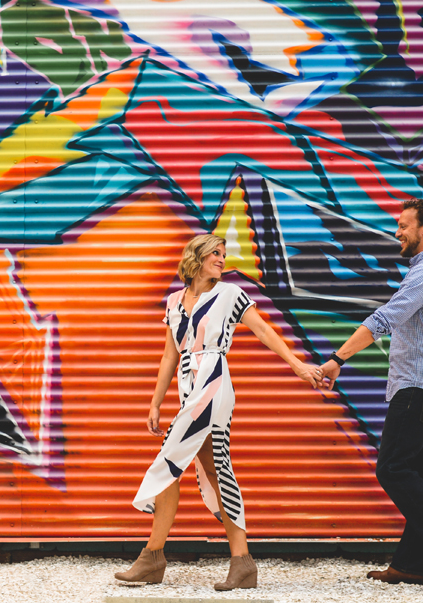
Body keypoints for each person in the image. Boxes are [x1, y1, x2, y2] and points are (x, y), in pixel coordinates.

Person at [115, 234, 319, 590]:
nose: (222, 259)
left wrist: (298, 366)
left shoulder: (230, 295)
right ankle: (241, 561)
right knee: (211, 467)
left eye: (224, 254)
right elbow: (169, 355)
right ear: (196, 257)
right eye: (215, 253)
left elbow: (263, 329)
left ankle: (152, 555)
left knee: (170, 462)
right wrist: (155, 401)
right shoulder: (174, 301)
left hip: (213, 383)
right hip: (187, 387)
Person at [316, 198, 423, 586]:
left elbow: (385, 318)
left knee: (392, 468)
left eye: (404, 225)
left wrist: (338, 358)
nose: (397, 231)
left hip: (418, 388)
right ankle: (410, 563)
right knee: (420, 478)